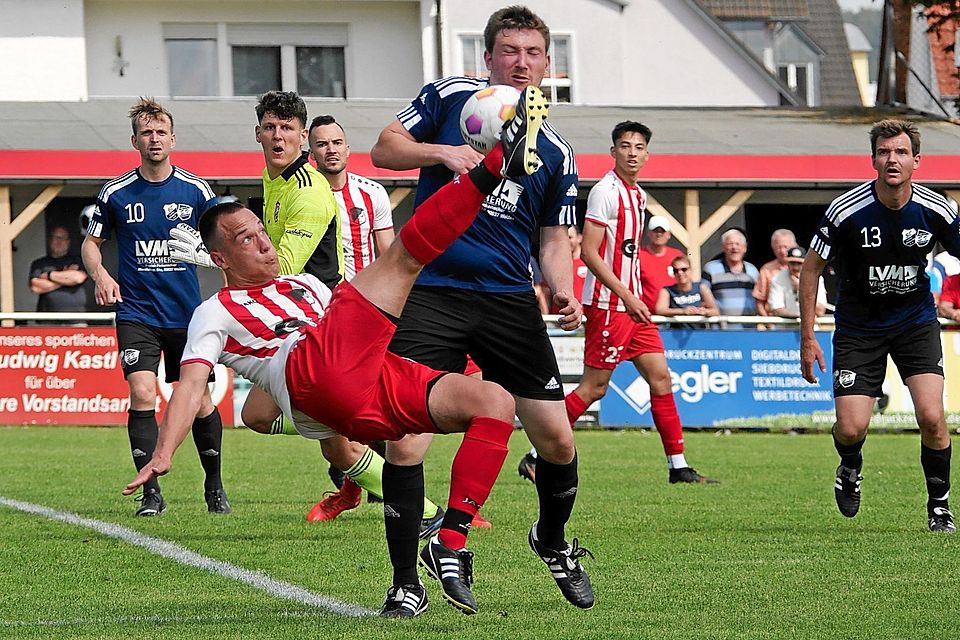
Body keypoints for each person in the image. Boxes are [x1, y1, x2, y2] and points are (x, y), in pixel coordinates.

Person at [125, 103, 545, 617]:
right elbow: (192, 383)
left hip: (356, 386)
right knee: (405, 257)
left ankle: (442, 548)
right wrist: (165, 452)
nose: (262, 242)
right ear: (219, 260)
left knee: (494, 402)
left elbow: (363, 335)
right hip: (310, 375)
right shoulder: (214, 311)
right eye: (244, 240)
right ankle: (496, 164)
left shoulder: (304, 285)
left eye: (260, 230)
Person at [371, 5, 593, 610]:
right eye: (510, 51)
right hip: (431, 293)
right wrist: (443, 154)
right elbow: (384, 149)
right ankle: (406, 584)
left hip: (506, 302)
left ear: (547, 65)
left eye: (533, 54)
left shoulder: (557, 151)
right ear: (489, 58)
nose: (521, 63)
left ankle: (551, 541)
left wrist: (565, 290)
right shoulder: (450, 98)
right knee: (405, 441)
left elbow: (552, 241)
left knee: (557, 441)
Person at [801, 119, 960, 534]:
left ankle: (939, 507)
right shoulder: (845, 211)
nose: (893, 159)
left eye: (901, 152)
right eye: (885, 152)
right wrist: (807, 336)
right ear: (873, 159)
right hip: (858, 329)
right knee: (852, 429)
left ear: (916, 161)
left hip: (915, 324)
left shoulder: (937, 209)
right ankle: (850, 465)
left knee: (932, 418)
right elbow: (810, 268)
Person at [81, 97, 228, 517]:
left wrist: (227, 295)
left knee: (197, 401)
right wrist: (102, 275)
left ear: (173, 138)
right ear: (135, 141)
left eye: (161, 131)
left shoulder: (196, 190)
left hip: (187, 315)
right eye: (147, 132)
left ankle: (214, 487)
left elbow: (222, 245)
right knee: (143, 392)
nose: (154, 138)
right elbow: (91, 245)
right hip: (137, 313)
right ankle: (151, 493)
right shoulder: (116, 192)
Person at [564, 120, 717, 485]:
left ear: (647, 154)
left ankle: (678, 466)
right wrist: (628, 296)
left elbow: (628, 254)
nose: (631, 152)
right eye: (625, 146)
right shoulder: (605, 192)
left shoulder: (638, 194)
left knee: (661, 379)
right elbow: (589, 252)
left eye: (638, 147)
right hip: (609, 304)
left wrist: (635, 299)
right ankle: (536, 454)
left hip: (634, 308)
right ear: (613, 151)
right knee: (594, 387)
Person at [702, 228, 760, 319]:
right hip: (721, 328)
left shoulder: (753, 270)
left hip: (748, 327)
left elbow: (759, 298)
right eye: (730, 244)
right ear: (723, 247)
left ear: (745, 248)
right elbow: (702, 294)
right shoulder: (711, 268)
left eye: (738, 244)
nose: (734, 248)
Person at [29, 225, 88, 314]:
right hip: (47, 321)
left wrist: (49, 276)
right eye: (56, 237)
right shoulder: (39, 264)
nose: (59, 241)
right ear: (49, 240)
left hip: (76, 319)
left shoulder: (77, 261)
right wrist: (66, 278)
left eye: (63, 238)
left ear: (68, 242)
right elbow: (36, 287)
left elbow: (78, 278)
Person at [638, 215, 684, 311]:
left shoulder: (677, 255)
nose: (659, 234)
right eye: (655, 231)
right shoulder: (638, 256)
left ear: (669, 234)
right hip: (648, 316)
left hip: (676, 315)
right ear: (648, 233)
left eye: (662, 231)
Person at [767, 246, 826, 319]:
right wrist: (800, 315)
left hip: (811, 327)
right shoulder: (778, 278)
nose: (795, 267)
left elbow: (820, 311)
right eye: (792, 263)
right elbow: (776, 309)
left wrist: (801, 289)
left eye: (799, 263)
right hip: (785, 327)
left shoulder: (817, 278)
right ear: (787, 263)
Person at [655, 255, 718, 320]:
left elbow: (715, 311)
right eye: (676, 270)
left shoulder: (701, 287)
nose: (680, 273)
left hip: (699, 329)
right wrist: (683, 311)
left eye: (684, 269)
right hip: (678, 329)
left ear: (690, 270)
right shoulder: (667, 291)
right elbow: (660, 310)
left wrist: (704, 311)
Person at [753, 229, 797, 316]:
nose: (782, 251)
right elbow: (759, 301)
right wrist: (768, 324)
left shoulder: (805, 268)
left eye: (785, 247)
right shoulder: (766, 270)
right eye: (779, 247)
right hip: (775, 323)